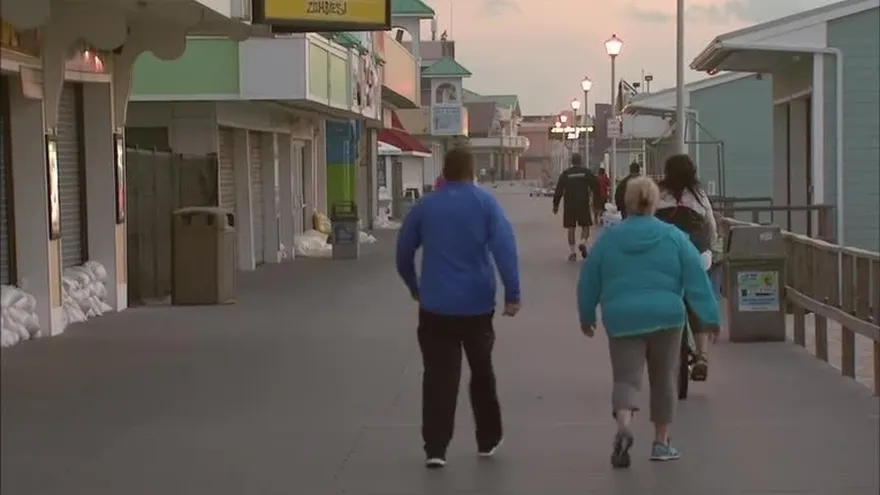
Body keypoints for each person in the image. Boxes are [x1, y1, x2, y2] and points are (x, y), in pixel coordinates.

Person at [577, 177, 720, 468]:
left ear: (627, 203)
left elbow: (589, 278)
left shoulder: (609, 239)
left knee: (626, 378)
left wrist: (587, 314)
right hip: (666, 317)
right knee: (664, 378)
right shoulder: (674, 237)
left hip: (622, 317)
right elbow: (696, 279)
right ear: (655, 202)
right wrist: (710, 316)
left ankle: (624, 425)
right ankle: (661, 442)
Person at [396, 147, 521, 469]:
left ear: (444, 172)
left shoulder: (426, 206)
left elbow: (403, 252)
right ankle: (488, 437)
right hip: (477, 305)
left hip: (435, 305)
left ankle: (436, 448)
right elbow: (505, 247)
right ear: (471, 171)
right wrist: (512, 293)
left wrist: (414, 286)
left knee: (438, 375)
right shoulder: (485, 204)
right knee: (482, 370)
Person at [655, 154, 718, 382]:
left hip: (665, 260)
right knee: (697, 301)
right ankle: (702, 355)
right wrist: (711, 247)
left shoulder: (658, 194)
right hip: (697, 257)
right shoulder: (699, 195)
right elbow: (711, 228)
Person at [552, 153, 599, 261]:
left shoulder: (566, 174)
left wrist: (556, 205)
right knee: (585, 225)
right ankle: (583, 242)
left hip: (569, 204)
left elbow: (559, 190)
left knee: (571, 228)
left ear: (572, 162)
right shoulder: (586, 172)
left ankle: (572, 253)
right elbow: (595, 185)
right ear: (581, 161)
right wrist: (596, 200)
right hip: (583, 203)